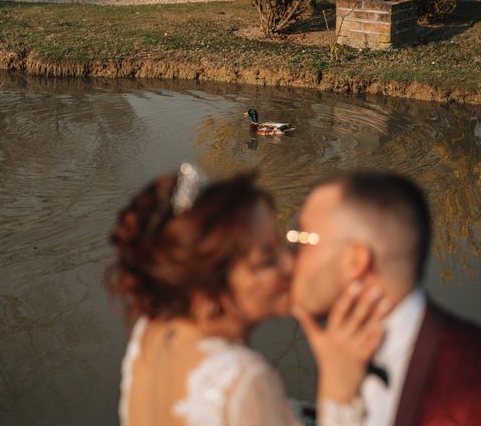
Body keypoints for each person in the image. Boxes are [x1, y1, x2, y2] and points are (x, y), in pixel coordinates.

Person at [106, 164, 388, 426]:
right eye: (267, 260)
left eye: (280, 244)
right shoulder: (243, 379)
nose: (290, 263)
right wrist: (340, 387)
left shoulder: (150, 332)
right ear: (208, 291)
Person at [290, 170, 481, 426]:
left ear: (355, 260)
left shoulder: (468, 380)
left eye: (303, 239)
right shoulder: (339, 358)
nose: (288, 259)